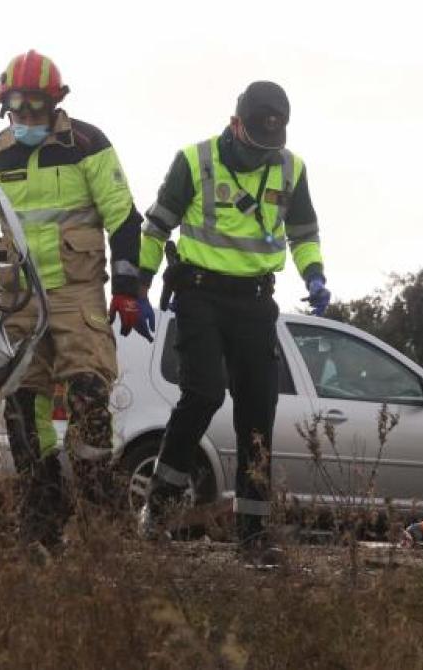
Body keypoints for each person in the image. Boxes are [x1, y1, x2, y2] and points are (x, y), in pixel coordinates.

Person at [0, 50, 153, 545]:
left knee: (89, 394)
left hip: (76, 293)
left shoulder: (87, 145)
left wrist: (129, 288)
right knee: (25, 406)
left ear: (54, 103)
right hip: (18, 298)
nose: (25, 119)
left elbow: (124, 218)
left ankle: (98, 503)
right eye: (16, 110)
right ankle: (43, 508)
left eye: (33, 109)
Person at [137, 80, 331, 565]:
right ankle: (157, 507)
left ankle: (252, 536)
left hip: (255, 301)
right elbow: (157, 224)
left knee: (258, 413)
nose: (261, 153)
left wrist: (315, 274)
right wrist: (136, 285)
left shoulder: (291, 167)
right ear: (235, 124)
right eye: (253, 141)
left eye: (271, 144)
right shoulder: (195, 160)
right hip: (200, 293)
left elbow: (303, 232)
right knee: (203, 394)